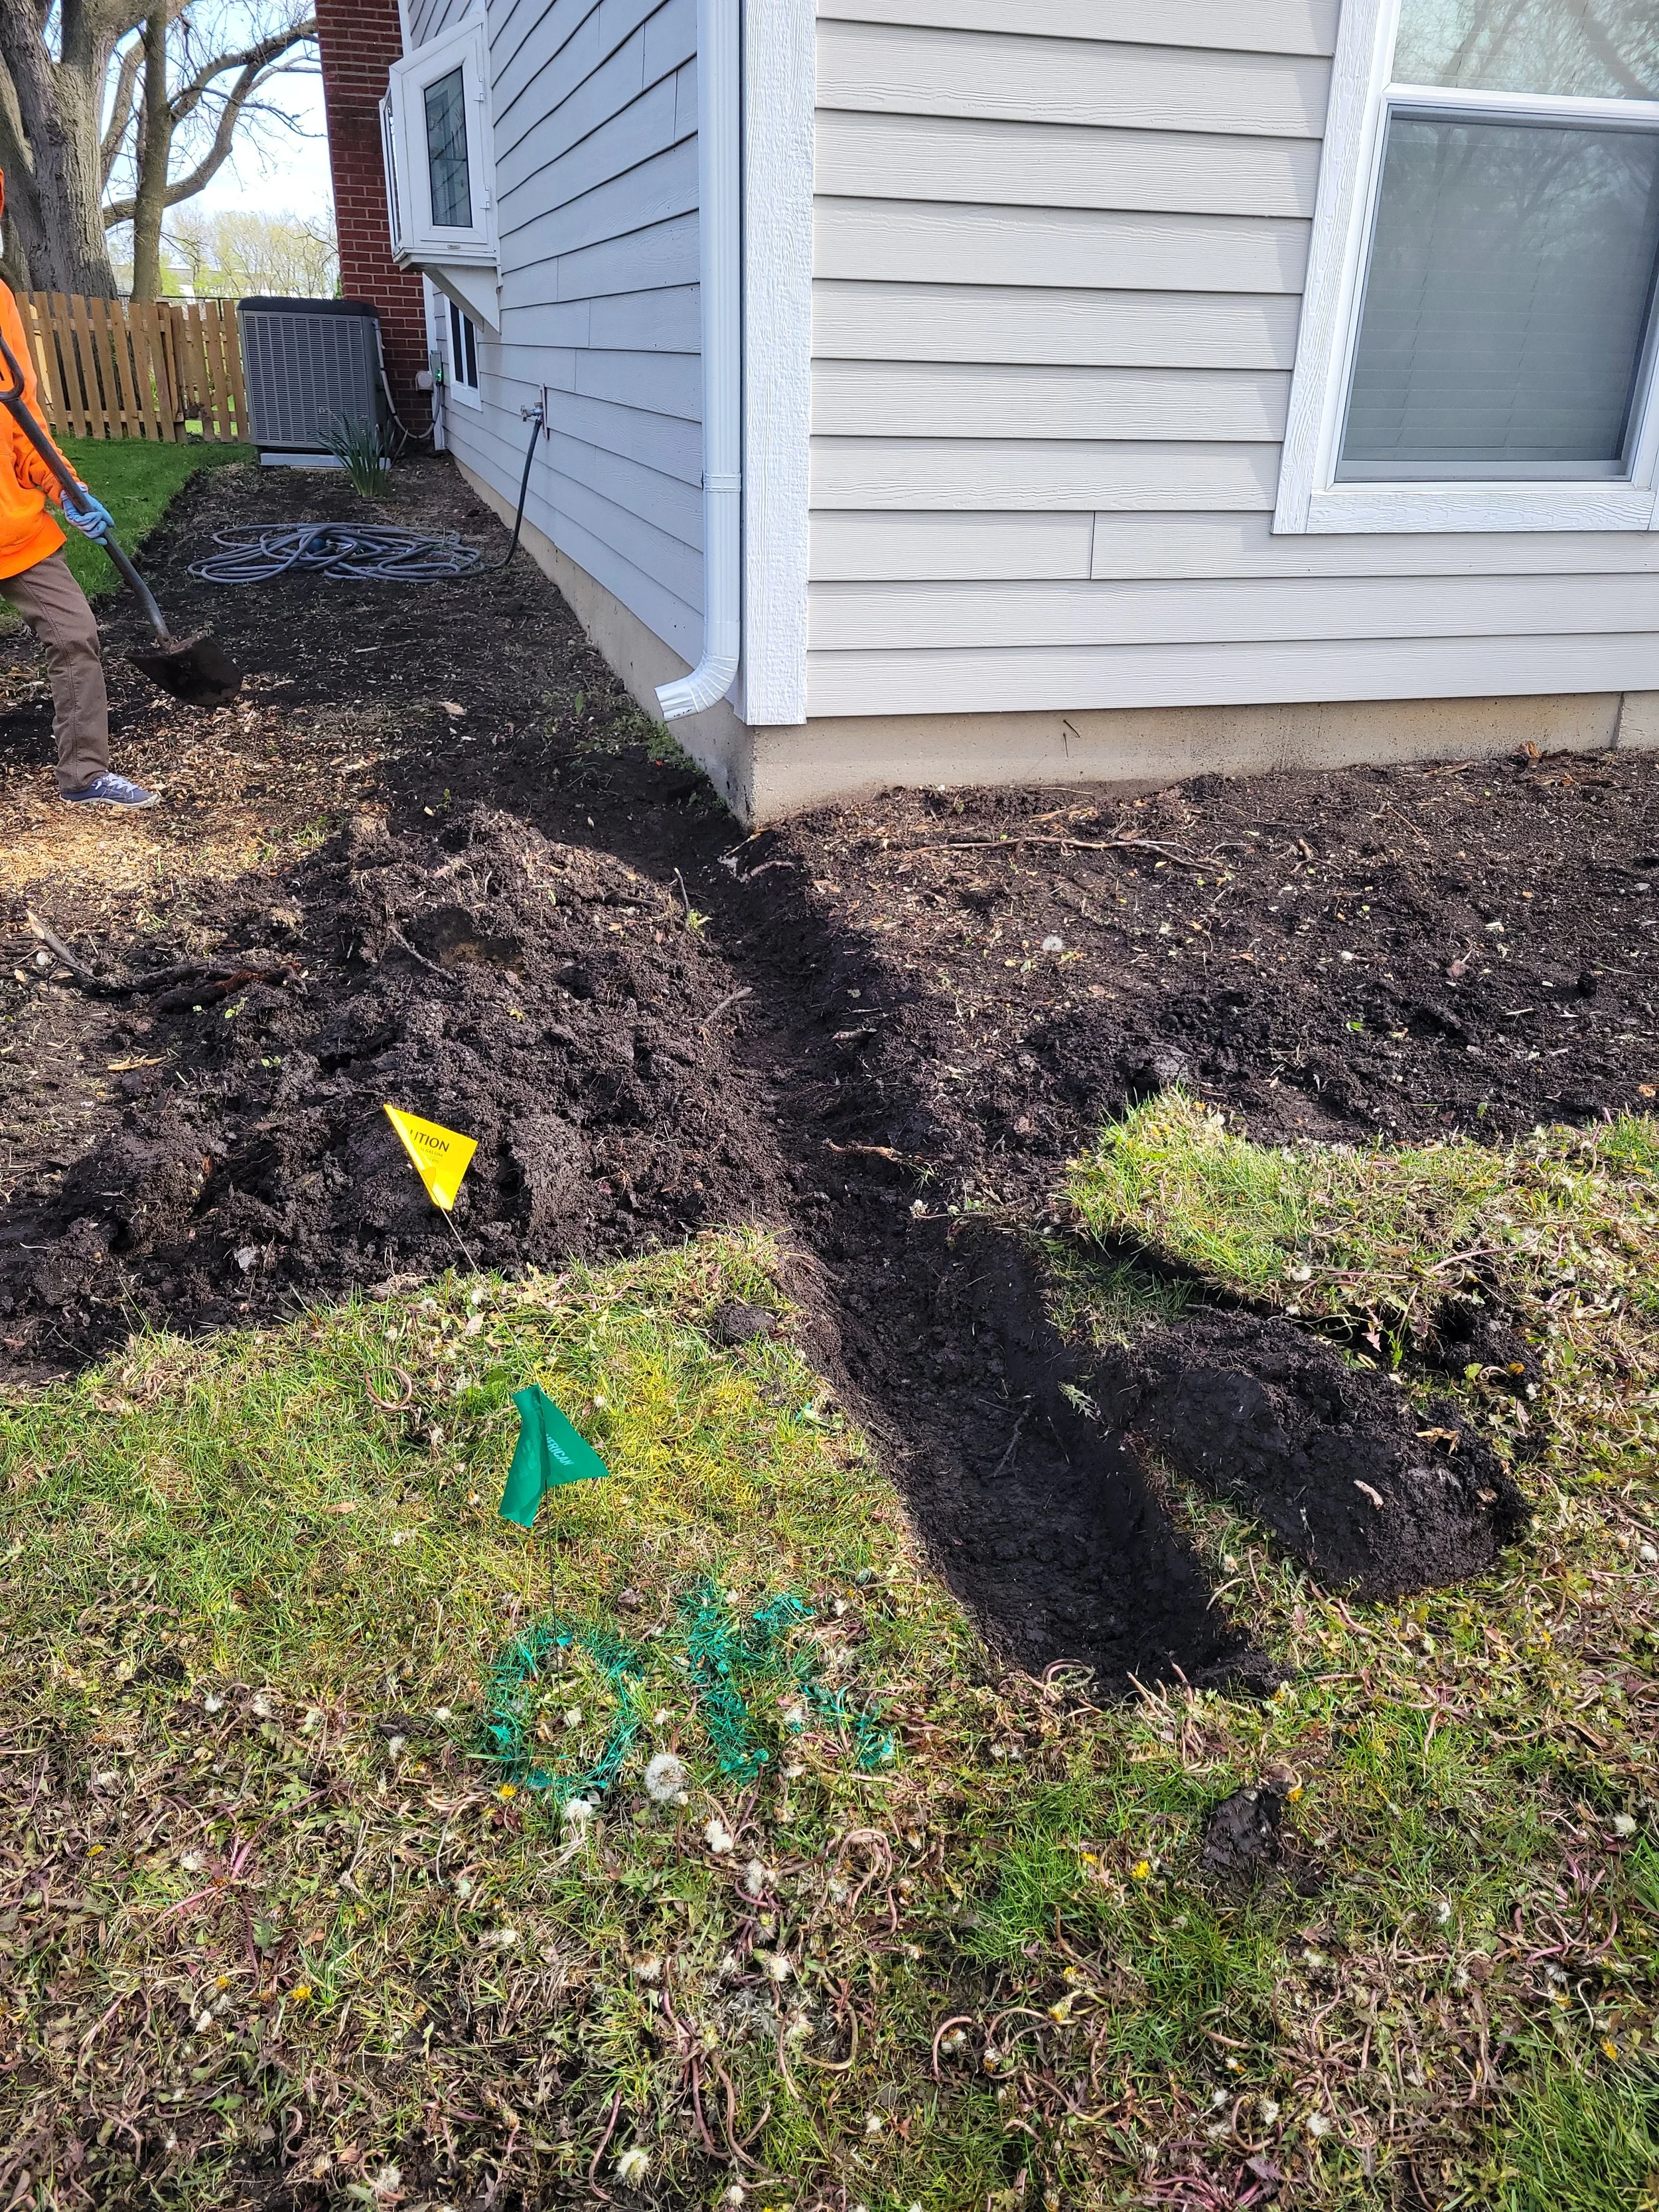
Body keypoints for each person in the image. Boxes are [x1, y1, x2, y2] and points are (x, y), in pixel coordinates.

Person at [0, 177, 155, 811]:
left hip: (14, 528)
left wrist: (70, 489)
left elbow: (22, 419)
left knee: (75, 633)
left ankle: (85, 774)